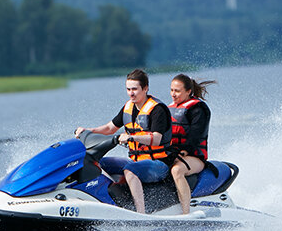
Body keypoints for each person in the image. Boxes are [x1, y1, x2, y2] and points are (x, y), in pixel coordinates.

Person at [75, 69, 172, 214]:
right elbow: (109, 128)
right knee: (100, 163)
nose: (131, 93)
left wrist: (132, 137)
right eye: (128, 89)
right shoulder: (128, 107)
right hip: (135, 160)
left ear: (145, 88)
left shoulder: (157, 110)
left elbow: (157, 139)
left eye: (135, 89)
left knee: (130, 170)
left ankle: (140, 213)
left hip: (159, 164)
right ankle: (107, 202)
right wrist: (88, 130)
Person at [168, 74, 216, 214]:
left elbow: (196, 135)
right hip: (174, 154)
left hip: (194, 157)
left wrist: (183, 152)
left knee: (176, 170)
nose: (173, 94)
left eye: (177, 91)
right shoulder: (169, 108)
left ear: (188, 91)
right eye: (171, 90)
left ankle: (186, 212)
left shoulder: (199, 109)